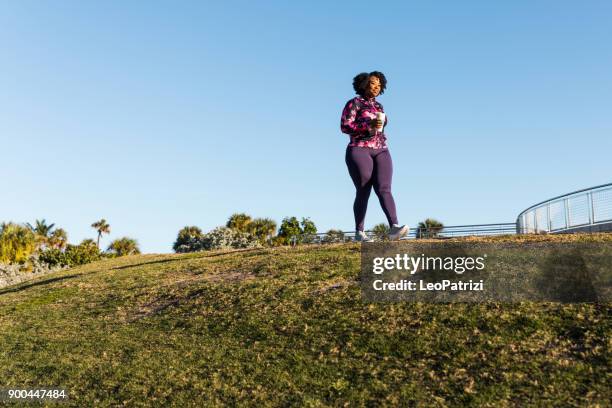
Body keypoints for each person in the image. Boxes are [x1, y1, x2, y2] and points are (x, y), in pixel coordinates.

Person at [340, 71, 408, 242]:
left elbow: (379, 128)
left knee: (384, 188)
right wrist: (366, 125)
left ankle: (394, 227)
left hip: (381, 149)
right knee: (364, 190)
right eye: (372, 84)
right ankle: (359, 232)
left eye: (379, 85)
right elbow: (345, 126)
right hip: (359, 148)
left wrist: (378, 125)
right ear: (364, 84)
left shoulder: (379, 107)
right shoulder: (354, 103)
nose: (376, 87)